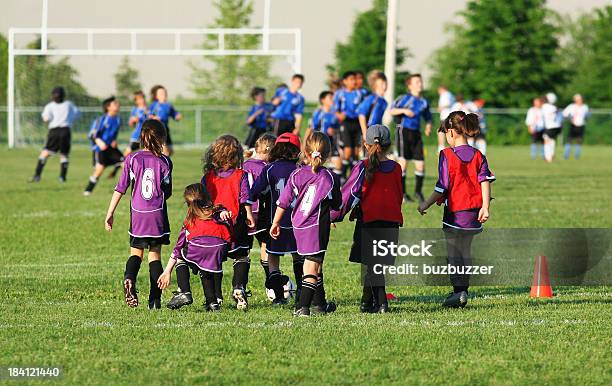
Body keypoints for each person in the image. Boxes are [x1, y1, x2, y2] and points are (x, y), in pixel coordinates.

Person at [418, 111, 495, 308]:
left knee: (453, 253)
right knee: (465, 251)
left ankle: (458, 292)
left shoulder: (446, 154)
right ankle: (463, 290)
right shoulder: (479, 155)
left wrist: (425, 203)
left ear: (451, 132)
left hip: (455, 213)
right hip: (474, 212)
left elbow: (442, 185)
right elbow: (484, 181)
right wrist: (485, 206)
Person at [332, 124, 403, 313]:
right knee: (376, 263)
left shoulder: (362, 167)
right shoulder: (396, 168)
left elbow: (348, 194)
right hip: (391, 221)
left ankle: (381, 303)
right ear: (389, 145)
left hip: (370, 220)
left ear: (365, 144)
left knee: (372, 264)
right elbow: (397, 196)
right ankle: (366, 302)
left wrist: (334, 214)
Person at [270, 132, 342, 316]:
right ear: (326, 154)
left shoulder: (296, 174)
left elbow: (283, 202)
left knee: (310, 265)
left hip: (299, 227)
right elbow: (337, 204)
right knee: (312, 267)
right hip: (317, 228)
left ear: (306, 151)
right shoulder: (330, 177)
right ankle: (302, 307)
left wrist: (276, 222)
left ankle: (319, 305)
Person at [103, 119, 173, 309]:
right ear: (162, 139)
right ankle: (154, 300)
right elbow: (168, 192)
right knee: (155, 255)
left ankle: (129, 278)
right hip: (157, 214)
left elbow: (120, 188)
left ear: (141, 137)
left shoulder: (132, 159)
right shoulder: (165, 161)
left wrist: (110, 213)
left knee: (136, 253)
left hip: (138, 215)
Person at [245, 133, 302, 307]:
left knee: (274, 259)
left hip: (275, 223)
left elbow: (253, 193)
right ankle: (301, 293)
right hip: (298, 223)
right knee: (298, 258)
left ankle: (278, 297)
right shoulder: (300, 169)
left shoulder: (269, 169)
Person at [159, 184, 232, 312]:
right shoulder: (217, 209)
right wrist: (224, 213)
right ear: (207, 195)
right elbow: (222, 211)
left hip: (200, 247)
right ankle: (213, 302)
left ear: (188, 203)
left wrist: (167, 271)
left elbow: (177, 248)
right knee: (205, 268)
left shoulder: (190, 220)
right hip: (222, 247)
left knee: (181, 256)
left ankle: (185, 292)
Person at [390, 74, 433, 203]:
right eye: (417, 82)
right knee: (403, 163)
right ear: (410, 85)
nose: (420, 84)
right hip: (403, 131)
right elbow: (392, 110)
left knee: (421, 164)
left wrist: (428, 126)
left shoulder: (424, 101)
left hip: (416, 133)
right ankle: (402, 194)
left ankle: (418, 192)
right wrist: (404, 110)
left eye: (420, 81)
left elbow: (428, 117)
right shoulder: (404, 98)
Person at [243, 134, 276, 294]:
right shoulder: (265, 167)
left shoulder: (244, 164)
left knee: (244, 250)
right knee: (265, 245)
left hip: (244, 212)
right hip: (259, 211)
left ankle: (240, 286)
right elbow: (264, 190)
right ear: (268, 150)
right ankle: (271, 282)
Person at [30, 86, 80, 183]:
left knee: (45, 153)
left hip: (54, 131)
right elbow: (77, 114)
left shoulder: (50, 106)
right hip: (66, 131)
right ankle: (62, 177)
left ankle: (37, 175)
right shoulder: (69, 104)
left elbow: (45, 119)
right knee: (64, 155)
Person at [83, 96, 124, 196]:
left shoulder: (118, 120)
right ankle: (88, 190)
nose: (117, 105)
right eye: (115, 104)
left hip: (110, 148)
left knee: (125, 164)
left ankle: (134, 189)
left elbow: (113, 134)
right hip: (99, 149)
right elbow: (91, 135)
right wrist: (99, 142)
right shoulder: (101, 120)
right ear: (108, 107)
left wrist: (114, 140)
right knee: (99, 169)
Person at [335, 71, 365, 179]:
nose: (354, 81)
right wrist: (339, 115)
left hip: (357, 122)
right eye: (351, 79)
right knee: (347, 152)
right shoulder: (340, 93)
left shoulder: (360, 93)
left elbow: (364, 108)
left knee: (357, 152)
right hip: (346, 122)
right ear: (345, 81)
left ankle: (353, 176)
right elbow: (334, 109)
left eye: (355, 79)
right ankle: (342, 176)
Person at [307, 91, 342, 178]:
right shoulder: (318, 113)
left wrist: (333, 130)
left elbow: (338, 128)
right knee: (314, 162)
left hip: (331, 142)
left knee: (338, 164)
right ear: (323, 100)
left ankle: (336, 184)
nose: (332, 100)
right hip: (319, 142)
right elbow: (311, 128)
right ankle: (315, 180)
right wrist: (306, 143)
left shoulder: (334, 114)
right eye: (330, 98)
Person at [149, 85, 182, 156]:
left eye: (164, 93)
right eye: (161, 93)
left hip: (166, 130)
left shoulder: (168, 105)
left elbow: (174, 114)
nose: (163, 94)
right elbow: (149, 115)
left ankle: (158, 162)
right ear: (156, 96)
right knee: (165, 152)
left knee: (170, 151)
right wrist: (154, 118)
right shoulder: (154, 105)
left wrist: (177, 116)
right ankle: (161, 166)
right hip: (157, 130)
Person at [357, 71, 388, 140]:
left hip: (377, 131)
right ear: (375, 85)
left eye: (385, 83)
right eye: (382, 84)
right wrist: (365, 133)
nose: (385, 86)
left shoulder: (384, 102)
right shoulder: (372, 98)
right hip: (369, 131)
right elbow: (361, 115)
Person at [563, 94, 590, 160]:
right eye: (578, 100)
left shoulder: (585, 107)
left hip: (581, 125)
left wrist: (586, 118)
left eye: (581, 99)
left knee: (579, 141)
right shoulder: (571, 106)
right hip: (573, 125)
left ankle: (576, 157)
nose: (580, 101)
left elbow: (587, 116)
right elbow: (564, 114)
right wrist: (570, 119)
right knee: (569, 140)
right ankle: (566, 156)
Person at [125, 90, 148, 156]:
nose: (142, 100)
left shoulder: (149, 109)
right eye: (139, 99)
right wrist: (133, 120)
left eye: (143, 98)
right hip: (137, 135)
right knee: (127, 153)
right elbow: (131, 123)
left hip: (146, 136)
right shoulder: (135, 110)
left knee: (148, 154)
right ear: (136, 101)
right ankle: (123, 164)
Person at [541, 92, 562, 163]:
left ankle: (548, 157)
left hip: (550, 126)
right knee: (552, 140)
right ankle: (552, 155)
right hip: (557, 126)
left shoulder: (545, 106)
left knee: (546, 140)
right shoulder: (555, 107)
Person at [436, 85, 455, 153]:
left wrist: (440, 108)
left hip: (446, 116)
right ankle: (452, 147)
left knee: (440, 131)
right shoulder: (450, 94)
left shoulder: (445, 94)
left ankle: (441, 147)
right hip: (449, 116)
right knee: (449, 131)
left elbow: (447, 103)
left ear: (442, 89)